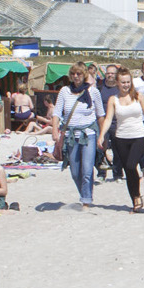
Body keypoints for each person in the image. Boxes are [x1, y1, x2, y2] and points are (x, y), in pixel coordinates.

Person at [97, 71, 144, 213]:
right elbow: (108, 118)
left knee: (131, 164)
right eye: (123, 82)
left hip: (138, 135)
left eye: (128, 82)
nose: (126, 85)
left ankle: (137, 196)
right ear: (117, 83)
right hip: (121, 137)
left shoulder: (138, 96)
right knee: (128, 170)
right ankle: (136, 198)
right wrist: (102, 135)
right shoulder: (113, 99)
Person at [52, 66, 101, 209]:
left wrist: (102, 136)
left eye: (79, 73)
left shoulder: (93, 92)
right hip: (70, 136)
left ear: (84, 75)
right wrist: (55, 130)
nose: (76, 76)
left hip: (88, 134)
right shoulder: (64, 92)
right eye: (73, 74)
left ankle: (86, 200)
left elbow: (100, 114)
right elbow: (57, 112)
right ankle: (85, 194)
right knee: (74, 172)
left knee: (87, 170)